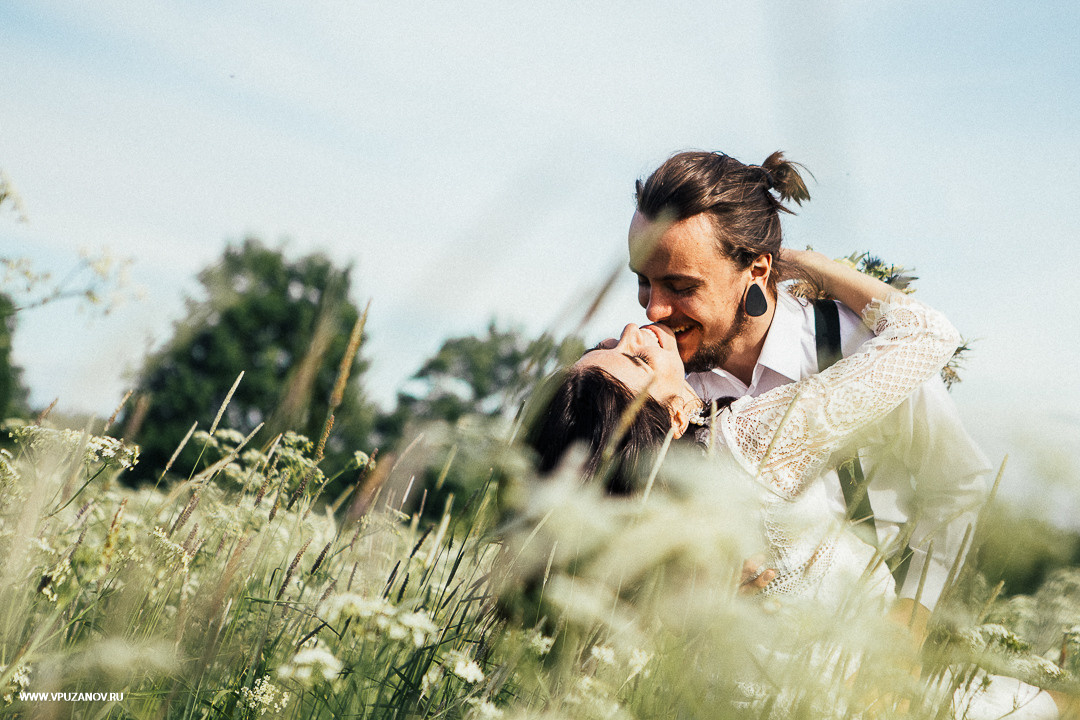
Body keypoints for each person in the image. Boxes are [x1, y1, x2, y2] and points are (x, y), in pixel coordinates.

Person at [627, 150, 990, 633]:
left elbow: (958, 485)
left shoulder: (860, 346)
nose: (654, 310)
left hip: (876, 631)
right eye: (643, 282)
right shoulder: (657, 382)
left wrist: (909, 627)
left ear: (757, 271)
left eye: (679, 285)